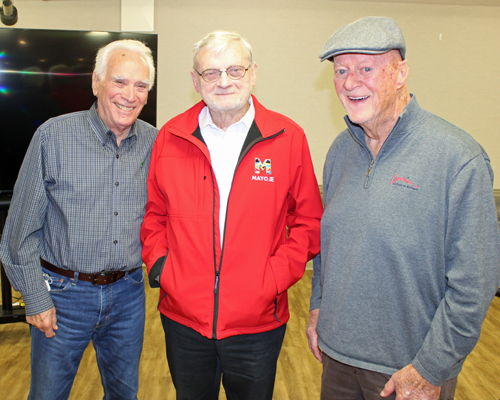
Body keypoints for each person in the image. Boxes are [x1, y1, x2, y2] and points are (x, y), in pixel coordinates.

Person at [307, 16, 500, 400]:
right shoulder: (340, 151)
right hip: (337, 361)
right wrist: (318, 310)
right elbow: (329, 248)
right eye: (341, 70)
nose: (349, 81)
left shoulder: (458, 158)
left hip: (408, 371)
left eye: (366, 68)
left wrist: (431, 367)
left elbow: (475, 284)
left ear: (401, 73)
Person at [141, 30, 323, 399]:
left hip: (257, 323)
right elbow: (153, 215)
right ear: (195, 81)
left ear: (253, 74)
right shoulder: (171, 137)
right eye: (211, 73)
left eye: (234, 70)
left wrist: (273, 277)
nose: (224, 81)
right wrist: (163, 268)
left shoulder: (288, 137)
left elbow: (308, 222)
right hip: (184, 320)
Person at [0, 39, 157, 400]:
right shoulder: (53, 136)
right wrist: (36, 299)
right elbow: (20, 230)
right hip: (63, 296)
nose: (129, 95)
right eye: (119, 81)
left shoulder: (155, 143)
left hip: (129, 295)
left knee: (123, 394)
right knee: (48, 395)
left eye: (140, 86)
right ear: (95, 83)